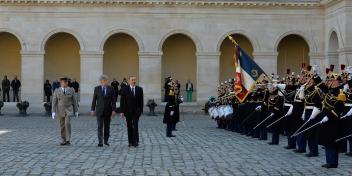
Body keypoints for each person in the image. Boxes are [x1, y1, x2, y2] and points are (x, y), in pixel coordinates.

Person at [91, 75, 117, 147]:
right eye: (104, 81)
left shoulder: (111, 88)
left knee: (107, 126)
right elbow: (94, 100)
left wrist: (114, 110)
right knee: (99, 126)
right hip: (99, 110)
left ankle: (106, 140)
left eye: (106, 80)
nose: (105, 82)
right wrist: (92, 109)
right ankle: (100, 142)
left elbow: (113, 100)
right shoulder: (97, 89)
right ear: (101, 81)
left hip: (108, 110)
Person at [52, 77, 79, 146]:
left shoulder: (71, 90)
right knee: (62, 126)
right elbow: (54, 101)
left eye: (66, 82)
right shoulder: (57, 90)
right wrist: (53, 111)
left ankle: (68, 140)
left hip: (69, 110)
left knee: (67, 123)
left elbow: (75, 101)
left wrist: (76, 111)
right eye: (63, 82)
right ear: (61, 83)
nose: (65, 83)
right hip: (60, 110)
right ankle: (63, 139)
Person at [120, 76, 144, 147]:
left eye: (135, 80)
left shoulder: (139, 89)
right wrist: (121, 111)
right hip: (127, 111)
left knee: (135, 126)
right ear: (129, 81)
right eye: (132, 80)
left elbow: (141, 101)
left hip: (136, 112)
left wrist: (140, 111)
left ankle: (136, 141)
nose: (134, 81)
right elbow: (122, 101)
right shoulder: (124, 89)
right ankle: (130, 142)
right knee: (129, 126)